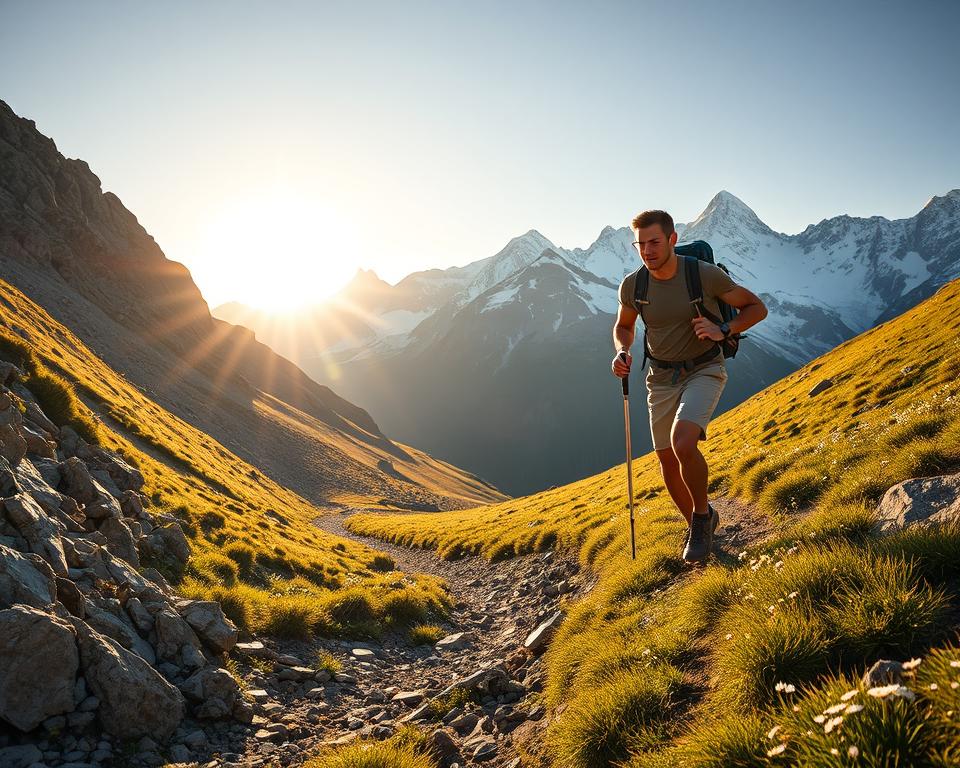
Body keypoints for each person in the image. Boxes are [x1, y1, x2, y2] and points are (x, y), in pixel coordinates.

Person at [611, 209, 767, 562]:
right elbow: (624, 326)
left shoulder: (702, 275)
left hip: (704, 368)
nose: (647, 251)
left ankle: (699, 519)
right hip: (660, 377)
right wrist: (622, 351)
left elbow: (756, 308)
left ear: (672, 240)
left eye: (654, 242)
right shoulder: (633, 285)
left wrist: (723, 330)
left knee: (683, 442)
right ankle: (703, 521)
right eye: (641, 244)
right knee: (666, 460)